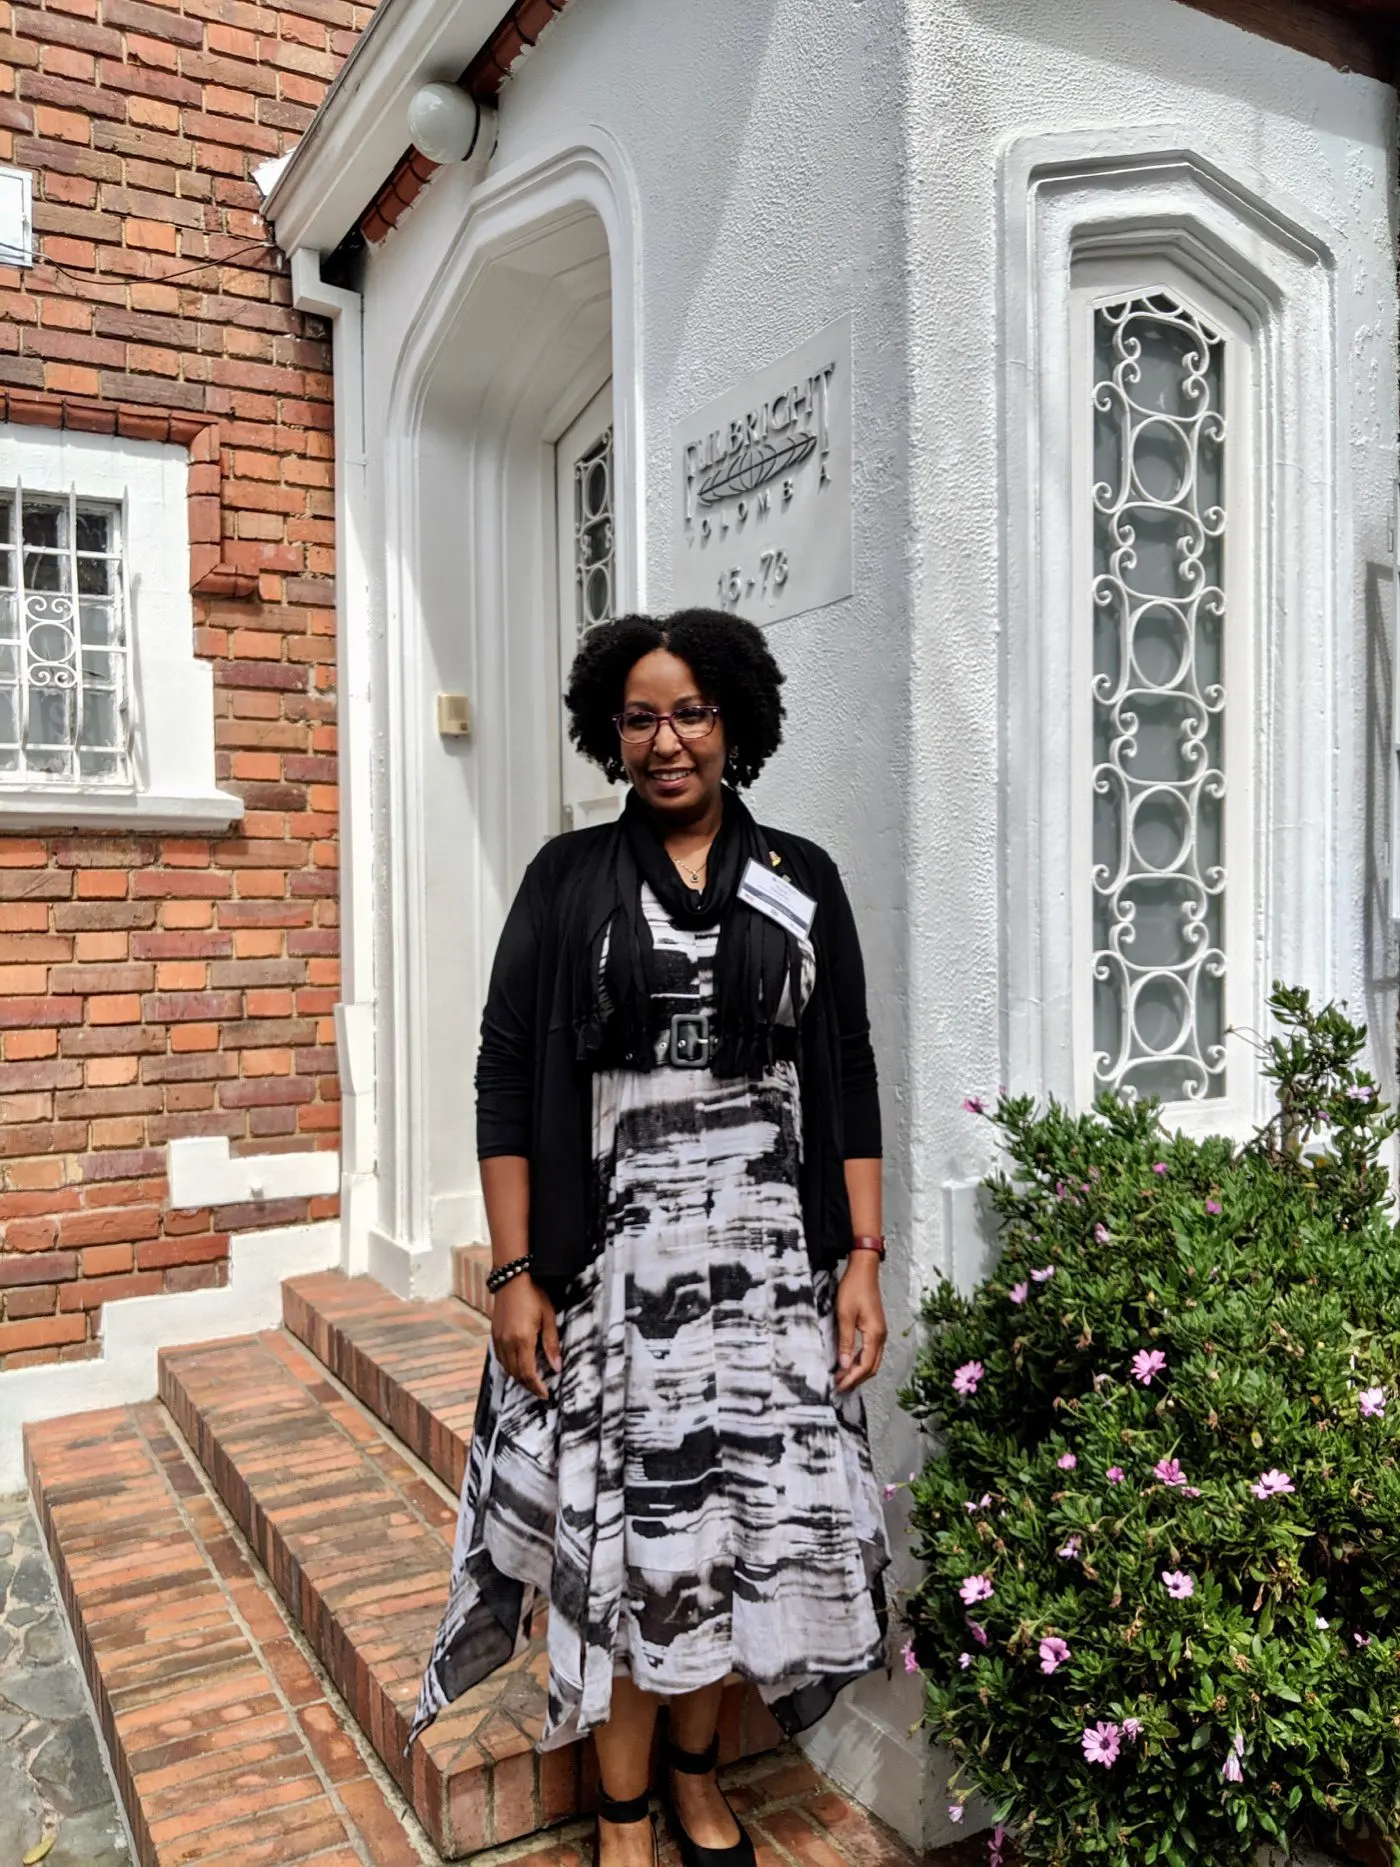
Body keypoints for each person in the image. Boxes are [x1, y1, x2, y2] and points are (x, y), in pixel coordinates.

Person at [411, 608, 891, 1867]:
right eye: (639, 716)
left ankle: (695, 1778)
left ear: (733, 721)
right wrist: (515, 1271)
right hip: (621, 1276)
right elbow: (505, 1071)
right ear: (607, 731)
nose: (666, 740)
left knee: (739, 1536)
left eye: (690, 712)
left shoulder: (800, 879)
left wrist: (861, 1259)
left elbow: (843, 1065)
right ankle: (621, 1814)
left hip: (770, 1274)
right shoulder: (568, 880)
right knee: (642, 1545)